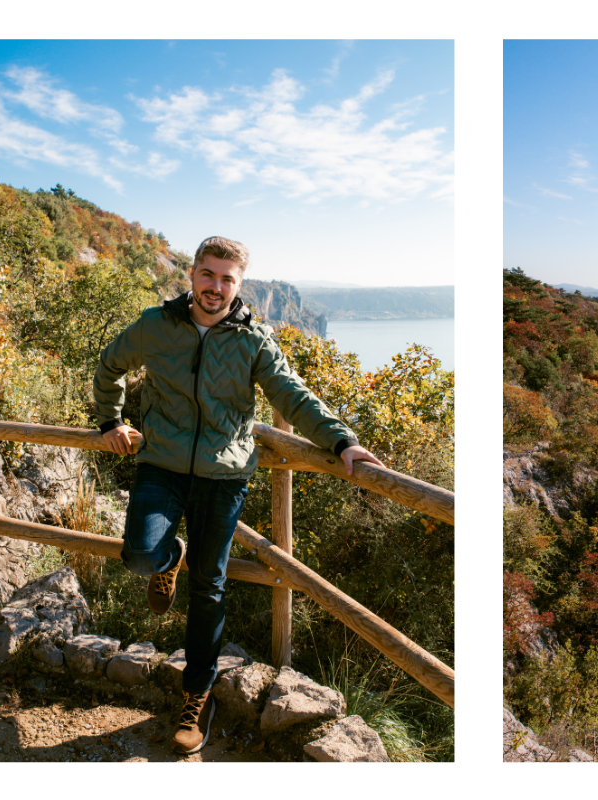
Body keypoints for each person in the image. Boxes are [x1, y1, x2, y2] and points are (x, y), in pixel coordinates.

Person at [93, 235, 384, 755]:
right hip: (160, 463)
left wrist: (343, 440)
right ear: (192, 274)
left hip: (224, 476)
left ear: (239, 284)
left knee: (209, 588)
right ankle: (168, 557)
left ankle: (195, 697)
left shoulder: (253, 339)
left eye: (228, 279)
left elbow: (293, 395)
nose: (216, 286)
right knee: (140, 554)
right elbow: (109, 364)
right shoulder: (156, 326)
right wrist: (111, 421)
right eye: (209, 274)